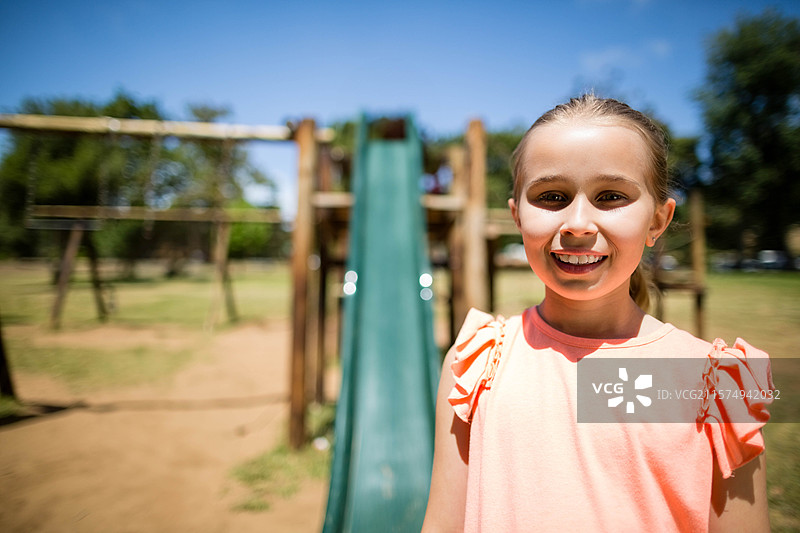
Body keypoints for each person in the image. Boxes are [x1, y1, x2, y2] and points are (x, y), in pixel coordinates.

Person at [421, 95, 772, 532]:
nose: (578, 223)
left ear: (657, 221)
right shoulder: (475, 364)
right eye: (552, 196)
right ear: (517, 216)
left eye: (610, 196)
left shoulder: (716, 385)